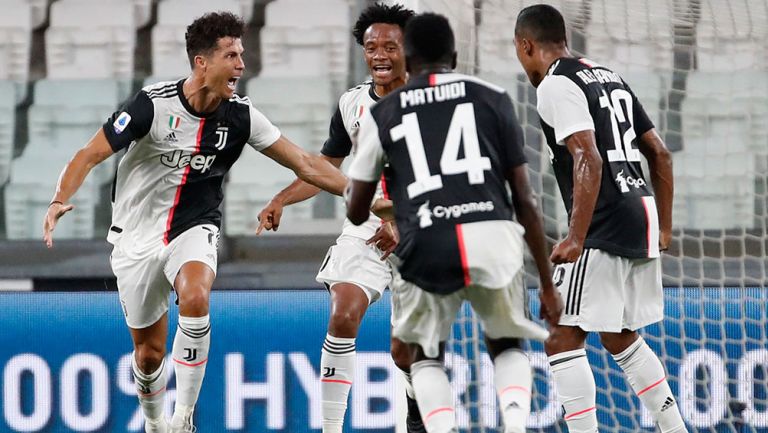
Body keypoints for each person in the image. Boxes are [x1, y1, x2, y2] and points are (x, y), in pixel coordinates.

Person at [42, 12, 347, 433]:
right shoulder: (151, 104)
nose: (241, 64)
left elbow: (308, 163)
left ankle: (184, 418)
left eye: (242, 54)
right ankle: (154, 423)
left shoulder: (241, 116)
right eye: (231, 55)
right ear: (202, 62)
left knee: (196, 294)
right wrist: (61, 198)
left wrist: (364, 195)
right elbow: (89, 153)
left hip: (194, 226)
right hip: (135, 236)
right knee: (149, 356)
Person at [346, 13, 563, 433]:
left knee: (425, 354)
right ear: (456, 56)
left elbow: (356, 209)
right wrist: (548, 284)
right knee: (504, 342)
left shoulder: (384, 112)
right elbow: (525, 199)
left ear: (407, 58)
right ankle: (516, 426)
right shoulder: (494, 96)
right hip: (493, 235)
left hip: (426, 240)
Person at [514, 4, 687, 433]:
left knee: (560, 333)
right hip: (642, 212)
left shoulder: (555, 84)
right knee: (619, 335)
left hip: (603, 222)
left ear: (526, 45)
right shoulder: (606, 74)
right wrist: (663, 225)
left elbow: (586, 154)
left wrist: (575, 236)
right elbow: (659, 152)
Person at [255, 4, 425, 433]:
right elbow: (322, 168)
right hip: (368, 226)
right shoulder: (351, 104)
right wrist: (281, 198)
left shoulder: (433, 102)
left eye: (391, 45)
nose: (380, 55)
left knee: (405, 350)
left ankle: (416, 411)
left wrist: (405, 223)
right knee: (343, 313)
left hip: (427, 225)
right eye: (372, 47)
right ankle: (331, 428)